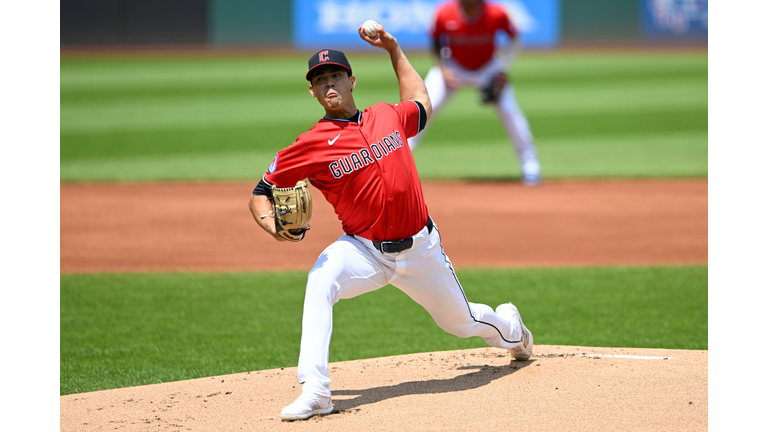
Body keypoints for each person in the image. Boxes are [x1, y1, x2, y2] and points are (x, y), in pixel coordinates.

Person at [248, 22, 533, 422]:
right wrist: (271, 226)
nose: (328, 83)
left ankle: (513, 330)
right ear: (311, 91)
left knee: (463, 322)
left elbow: (422, 103)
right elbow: (260, 191)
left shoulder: (386, 116)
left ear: (351, 81)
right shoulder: (309, 145)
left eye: (335, 75)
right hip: (364, 250)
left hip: (421, 250)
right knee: (320, 280)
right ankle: (316, 391)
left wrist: (394, 49)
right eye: (319, 79)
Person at [409, 0, 542, 185]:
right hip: (453, 67)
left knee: (510, 112)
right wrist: (443, 68)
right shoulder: (444, 13)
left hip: (488, 69)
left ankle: (530, 165)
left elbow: (515, 38)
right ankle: (399, 159)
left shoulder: (496, 13)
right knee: (421, 109)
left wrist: (503, 68)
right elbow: (436, 42)